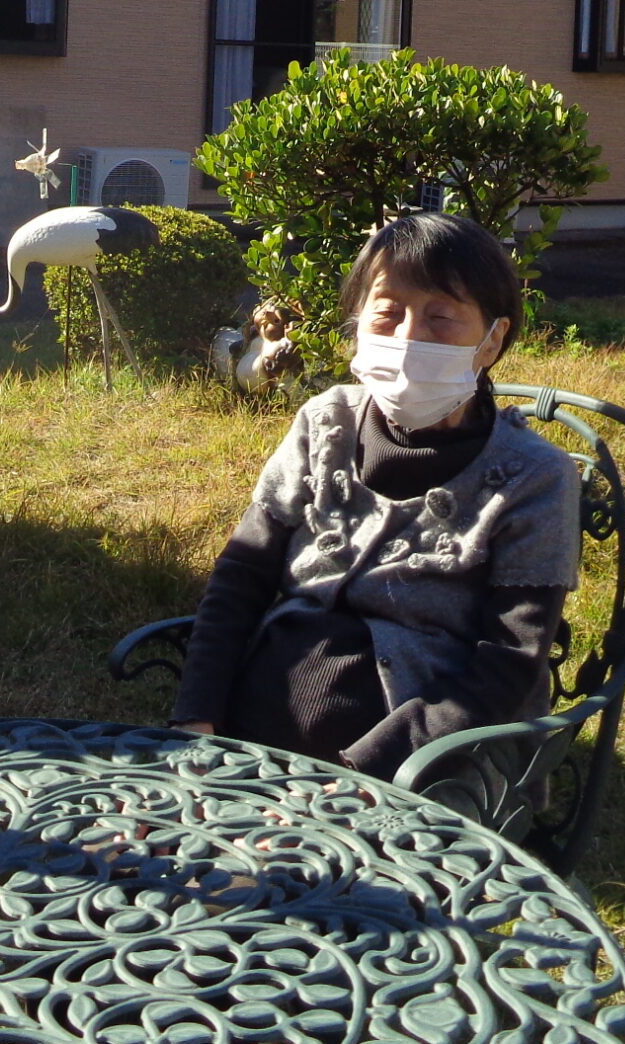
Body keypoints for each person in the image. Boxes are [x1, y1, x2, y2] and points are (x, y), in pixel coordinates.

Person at [169, 212, 580, 778]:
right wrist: (197, 717)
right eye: (386, 313)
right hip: (250, 746)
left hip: (416, 773)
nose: (408, 337)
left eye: (441, 316)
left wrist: (365, 775)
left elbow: (509, 661)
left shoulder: (534, 477)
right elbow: (241, 577)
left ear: (492, 340)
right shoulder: (325, 422)